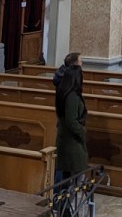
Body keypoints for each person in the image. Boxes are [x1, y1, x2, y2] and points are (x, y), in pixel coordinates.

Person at [54, 52, 89, 182]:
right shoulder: (72, 96)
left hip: (66, 138)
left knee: (66, 173)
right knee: (72, 175)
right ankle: (66, 200)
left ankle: (65, 199)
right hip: (71, 140)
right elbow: (71, 120)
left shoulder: (64, 90)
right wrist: (82, 132)